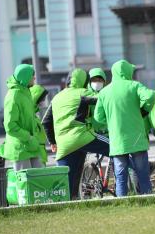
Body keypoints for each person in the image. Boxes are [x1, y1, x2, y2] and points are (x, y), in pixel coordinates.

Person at [42, 68, 109, 199]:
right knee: (117, 149)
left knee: (66, 181)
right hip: (82, 137)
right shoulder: (84, 93)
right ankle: (138, 179)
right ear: (85, 81)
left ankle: (69, 201)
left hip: (64, 145)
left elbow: (46, 121)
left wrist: (53, 142)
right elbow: (104, 99)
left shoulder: (57, 97)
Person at [94, 59, 155, 197]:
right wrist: (144, 111)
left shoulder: (104, 92)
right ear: (128, 71)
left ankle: (121, 202)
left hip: (117, 140)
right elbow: (150, 96)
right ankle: (149, 199)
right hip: (137, 139)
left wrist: (110, 120)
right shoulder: (134, 85)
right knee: (142, 175)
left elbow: (98, 117)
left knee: (120, 177)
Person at [0, 64, 43, 170]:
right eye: (32, 75)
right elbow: (10, 125)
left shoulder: (25, 92)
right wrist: (28, 137)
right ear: (25, 77)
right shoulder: (13, 96)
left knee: (39, 181)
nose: (34, 78)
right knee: (25, 184)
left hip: (30, 145)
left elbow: (26, 116)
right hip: (20, 148)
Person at [29, 84, 49, 166]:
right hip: (36, 154)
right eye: (42, 99)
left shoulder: (33, 114)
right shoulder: (30, 115)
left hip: (39, 153)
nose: (43, 101)